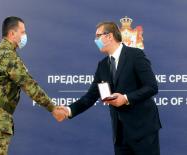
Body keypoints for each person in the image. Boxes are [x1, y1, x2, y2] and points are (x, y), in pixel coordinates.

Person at [57, 21, 162, 155]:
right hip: (120, 136)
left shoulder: (135, 55)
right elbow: (90, 97)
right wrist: (68, 110)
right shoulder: (103, 66)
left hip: (143, 131)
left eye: (98, 36)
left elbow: (152, 87)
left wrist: (125, 98)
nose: (95, 40)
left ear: (109, 36)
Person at [0, 16, 65, 155]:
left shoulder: (2, 52)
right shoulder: (7, 55)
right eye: (22, 32)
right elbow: (28, 85)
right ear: (12, 33)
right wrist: (52, 108)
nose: (25, 36)